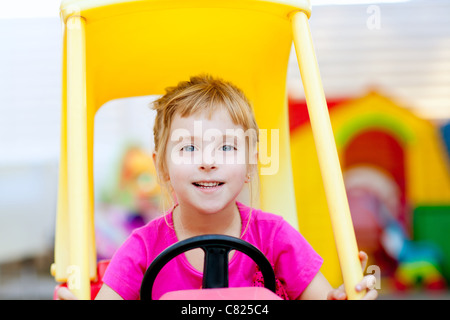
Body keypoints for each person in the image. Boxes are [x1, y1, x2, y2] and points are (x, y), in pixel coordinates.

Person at [57, 74, 378, 300]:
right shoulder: (141, 248)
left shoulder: (275, 236)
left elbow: (323, 298)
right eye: (189, 148)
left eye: (226, 148)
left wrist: (345, 294)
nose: (208, 162)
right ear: (161, 167)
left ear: (251, 162)